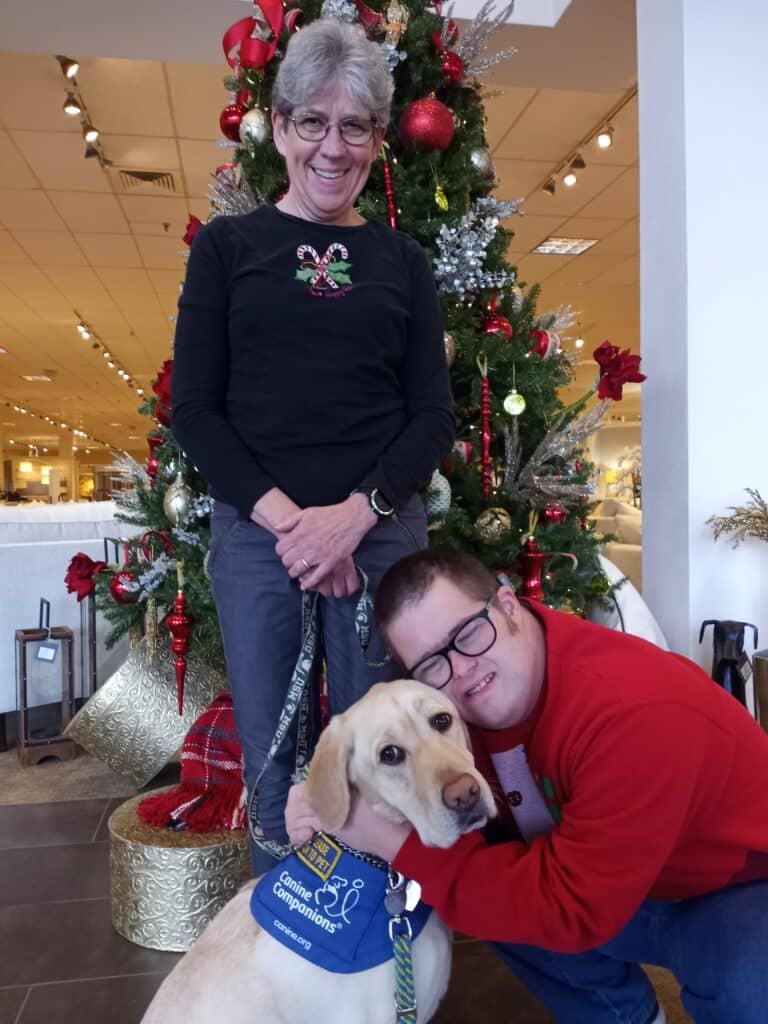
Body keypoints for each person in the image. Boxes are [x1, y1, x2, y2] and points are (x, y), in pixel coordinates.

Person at [171, 21, 454, 874]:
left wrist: (353, 521)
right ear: (282, 124)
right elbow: (196, 410)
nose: (334, 147)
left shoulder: (402, 260)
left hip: (383, 535)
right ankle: (294, 950)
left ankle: (383, 946)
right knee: (277, 760)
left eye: (356, 126)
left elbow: (432, 416)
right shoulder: (227, 249)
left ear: (377, 138)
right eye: (313, 122)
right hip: (262, 542)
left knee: (392, 759)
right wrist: (301, 530)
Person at [286, 548, 768, 1023]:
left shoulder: (633, 711)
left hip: (738, 885)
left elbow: (570, 908)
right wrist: (328, 797)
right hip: (617, 883)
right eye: (432, 663)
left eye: (469, 633)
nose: (462, 668)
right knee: (491, 896)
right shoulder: (444, 712)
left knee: (748, 989)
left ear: (509, 604)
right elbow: (387, 767)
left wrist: (396, 846)